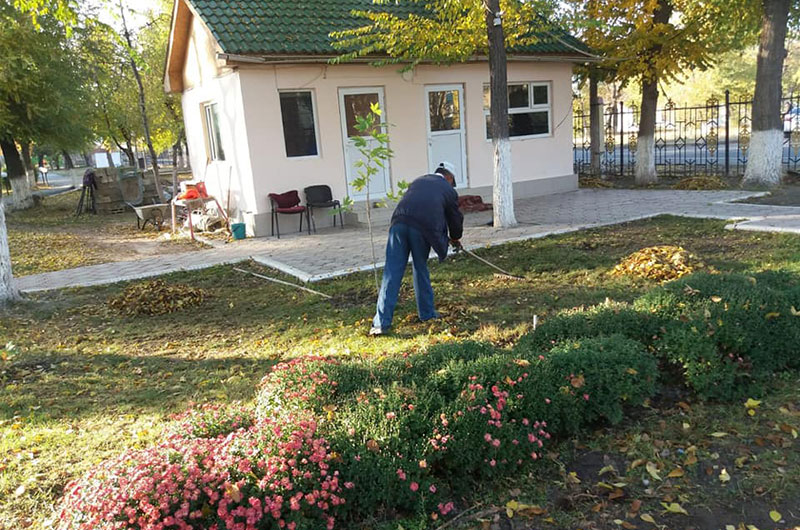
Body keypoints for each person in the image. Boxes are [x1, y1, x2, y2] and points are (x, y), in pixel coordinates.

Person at [370, 161, 464, 336]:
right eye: (452, 181)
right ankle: (427, 314)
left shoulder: (418, 181)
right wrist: (455, 237)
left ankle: (380, 324)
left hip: (397, 224)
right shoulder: (448, 190)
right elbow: (454, 218)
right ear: (449, 177)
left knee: (392, 272)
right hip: (421, 229)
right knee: (420, 268)